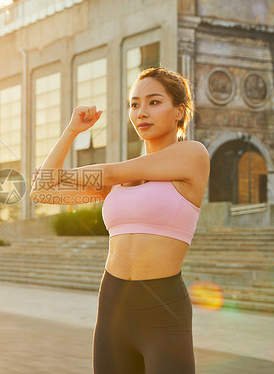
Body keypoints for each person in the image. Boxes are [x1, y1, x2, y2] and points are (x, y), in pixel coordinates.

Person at [29, 67, 210, 373]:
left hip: (162, 310)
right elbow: (42, 190)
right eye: (134, 104)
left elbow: (108, 173)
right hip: (112, 306)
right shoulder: (116, 181)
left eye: (154, 102)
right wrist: (72, 130)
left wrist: (61, 174)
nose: (141, 112)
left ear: (179, 111)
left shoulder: (192, 155)